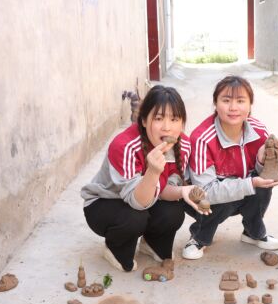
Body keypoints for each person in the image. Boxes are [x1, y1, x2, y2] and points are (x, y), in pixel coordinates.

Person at [81, 85, 205, 272]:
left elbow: (163, 190)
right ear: (145, 121)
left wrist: (183, 191)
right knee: (135, 217)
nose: (167, 127)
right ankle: (115, 247)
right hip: (106, 203)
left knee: (174, 211)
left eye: (174, 119)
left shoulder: (184, 145)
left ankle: (151, 243)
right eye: (158, 118)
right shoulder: (124, 146)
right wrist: (153, 172)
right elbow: (137, 202)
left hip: (144, 200)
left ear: (182, 123)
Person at [182, 75, 278, 260]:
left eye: (240, 101)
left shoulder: (259, 131)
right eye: (226, 100)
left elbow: (267, 173)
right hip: (202, 199)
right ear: (215, 103)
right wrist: (250, 183)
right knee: (229, 192)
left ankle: (252, 233)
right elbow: (205, 191)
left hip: (241, 189)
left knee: (261, 187)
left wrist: (263, 161)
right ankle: (198, 237)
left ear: (250, 105)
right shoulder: (202, 138)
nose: (233, 107)